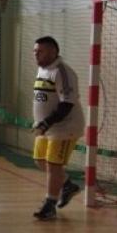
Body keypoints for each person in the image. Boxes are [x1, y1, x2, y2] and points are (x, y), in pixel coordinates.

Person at [31, 36, 84, 220]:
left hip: (64, 127)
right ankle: (68, 185)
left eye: (40, 51)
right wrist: (41, 122)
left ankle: (49, 205)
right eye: (35, 51)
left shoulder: (62, 72)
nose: (36, 54)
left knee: (54, 165)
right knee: (40, 160)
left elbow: (66, 104)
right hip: (46, 128)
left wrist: (46, 122)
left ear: (53, 52)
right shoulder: (42, 69)